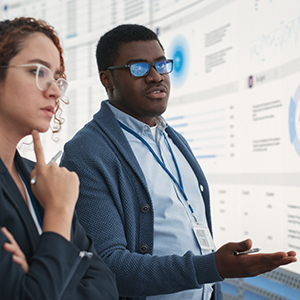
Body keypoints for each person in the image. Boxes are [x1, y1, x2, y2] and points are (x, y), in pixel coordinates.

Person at [60, 24, 297, 300]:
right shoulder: (86, 153)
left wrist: (214, 276)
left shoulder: (172, 139)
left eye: (161, 64)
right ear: (107, 80)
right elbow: (110, 268)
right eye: (138, 68)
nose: (155, 76)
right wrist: (213, 267)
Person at [0, 17, 118, 300]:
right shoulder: (57, 195)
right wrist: (59, 211)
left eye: (56, 78)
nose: (54, 91)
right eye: (38, 71)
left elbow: (106, 286)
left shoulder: (41, 178)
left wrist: (38, 276)